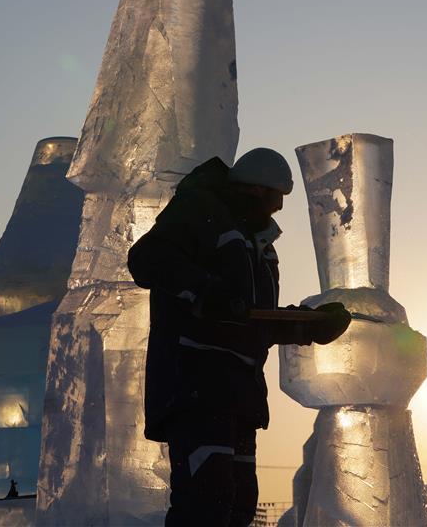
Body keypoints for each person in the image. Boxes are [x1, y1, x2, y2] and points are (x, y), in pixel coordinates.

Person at [127, 148, 351, 527]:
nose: (279, 208)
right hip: (196, 385)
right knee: (204, 504)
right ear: (256, 190)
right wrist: (203, 290)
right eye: (277, 197)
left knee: (239, 507)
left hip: (238, 395)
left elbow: (252, 319)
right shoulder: (201, 212)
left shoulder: (260, 246)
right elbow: (147, 259)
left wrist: (310, 326)